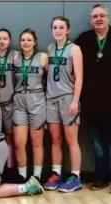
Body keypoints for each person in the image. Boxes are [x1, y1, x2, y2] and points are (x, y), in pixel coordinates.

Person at [75, 4, 111, 194]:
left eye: (102, 15)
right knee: (98, 143)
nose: (98, 19)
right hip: (92, 103)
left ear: (108, 18)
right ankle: (102, 177)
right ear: (90, 20)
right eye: (95, 16)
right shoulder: (84, 40)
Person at [44, 16, 83, 193]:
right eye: (55, 27)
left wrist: (75, 100)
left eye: (61, 27)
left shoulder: (74, 49)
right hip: (51, 99)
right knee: (55, 139)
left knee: (71, 140)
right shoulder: (50, 49)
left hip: (68, 98)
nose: (58, 30)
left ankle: (75, 177)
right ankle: (56, 174)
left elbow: (80, 77)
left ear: (67, 30)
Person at [13, 28, 48, 182]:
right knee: (19, 142)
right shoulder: (15, 57)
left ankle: (37, 175)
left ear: (35, 42)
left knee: (36, 141)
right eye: (23, 40)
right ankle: (21, 175)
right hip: (19, 98)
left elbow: (52, 80)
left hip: (37, 98)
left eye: (29, 40)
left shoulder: (43, 58)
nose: (25, 43)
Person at [0, 29, 17, 175]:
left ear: (10, 41)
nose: (1, 41)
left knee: (10, 139)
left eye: (5, 38)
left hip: (10, 102)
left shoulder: (15, 55)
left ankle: (10, 171)